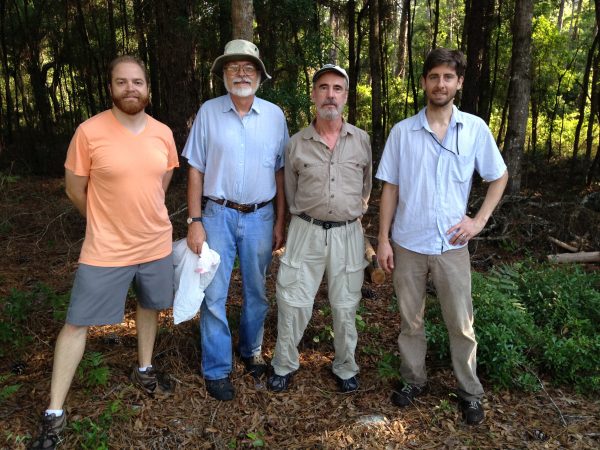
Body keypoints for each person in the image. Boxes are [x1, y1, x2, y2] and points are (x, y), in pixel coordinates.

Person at [30, 55, 178, 450]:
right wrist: (102, 218)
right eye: (121, 82)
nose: (131, 88)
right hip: (106, 249)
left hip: (155, 244)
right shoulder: (88, 132)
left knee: (150, 306)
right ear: (110, 87)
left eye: (137, 82)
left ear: (148, 88)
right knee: (77, 322)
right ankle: (54, 412)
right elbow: (74, 189)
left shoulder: (163, 133)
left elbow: (162, 180)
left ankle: (145, 368)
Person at [376, 48, 508, 425]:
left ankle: (469, 391)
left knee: (461, 323)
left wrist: (478, 221)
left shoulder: (475, 129)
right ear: (424, 82)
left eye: (448, 77)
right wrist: (383, 239)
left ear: (459, 83)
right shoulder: (403, 132)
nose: (440, 84)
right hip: (408, 243)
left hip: (453, 245)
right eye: (434, 76)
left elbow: (498, 176)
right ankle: (413, 380)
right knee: (410, 321)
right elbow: (390, 188)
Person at [182, 39, 288, 401]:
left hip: (261, 215)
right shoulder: (209, 112)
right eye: (234, 68)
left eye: (249, 68)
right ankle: (217, 368)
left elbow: (280, 173)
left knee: (256, 292)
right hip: (217, 214)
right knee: (214, 293)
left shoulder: (275, 116)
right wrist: (194, 220)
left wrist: (279, 222)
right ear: (223, 74)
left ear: (259, 75)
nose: (241, 74)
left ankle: (250, 350)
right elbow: (195, 168)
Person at [267, 64, 372, 393]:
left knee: (345, 305)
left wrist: (351, 213)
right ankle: (284, 363)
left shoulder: (362, 140)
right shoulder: (296, 144)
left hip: (348, 233)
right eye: (323, 87)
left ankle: (345, 367)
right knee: (293, 301)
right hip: (305, 230)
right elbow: (290, 191)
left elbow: (366, 188)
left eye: (337, 88)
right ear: (313, 95)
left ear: (345, 96)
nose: (330, 94)